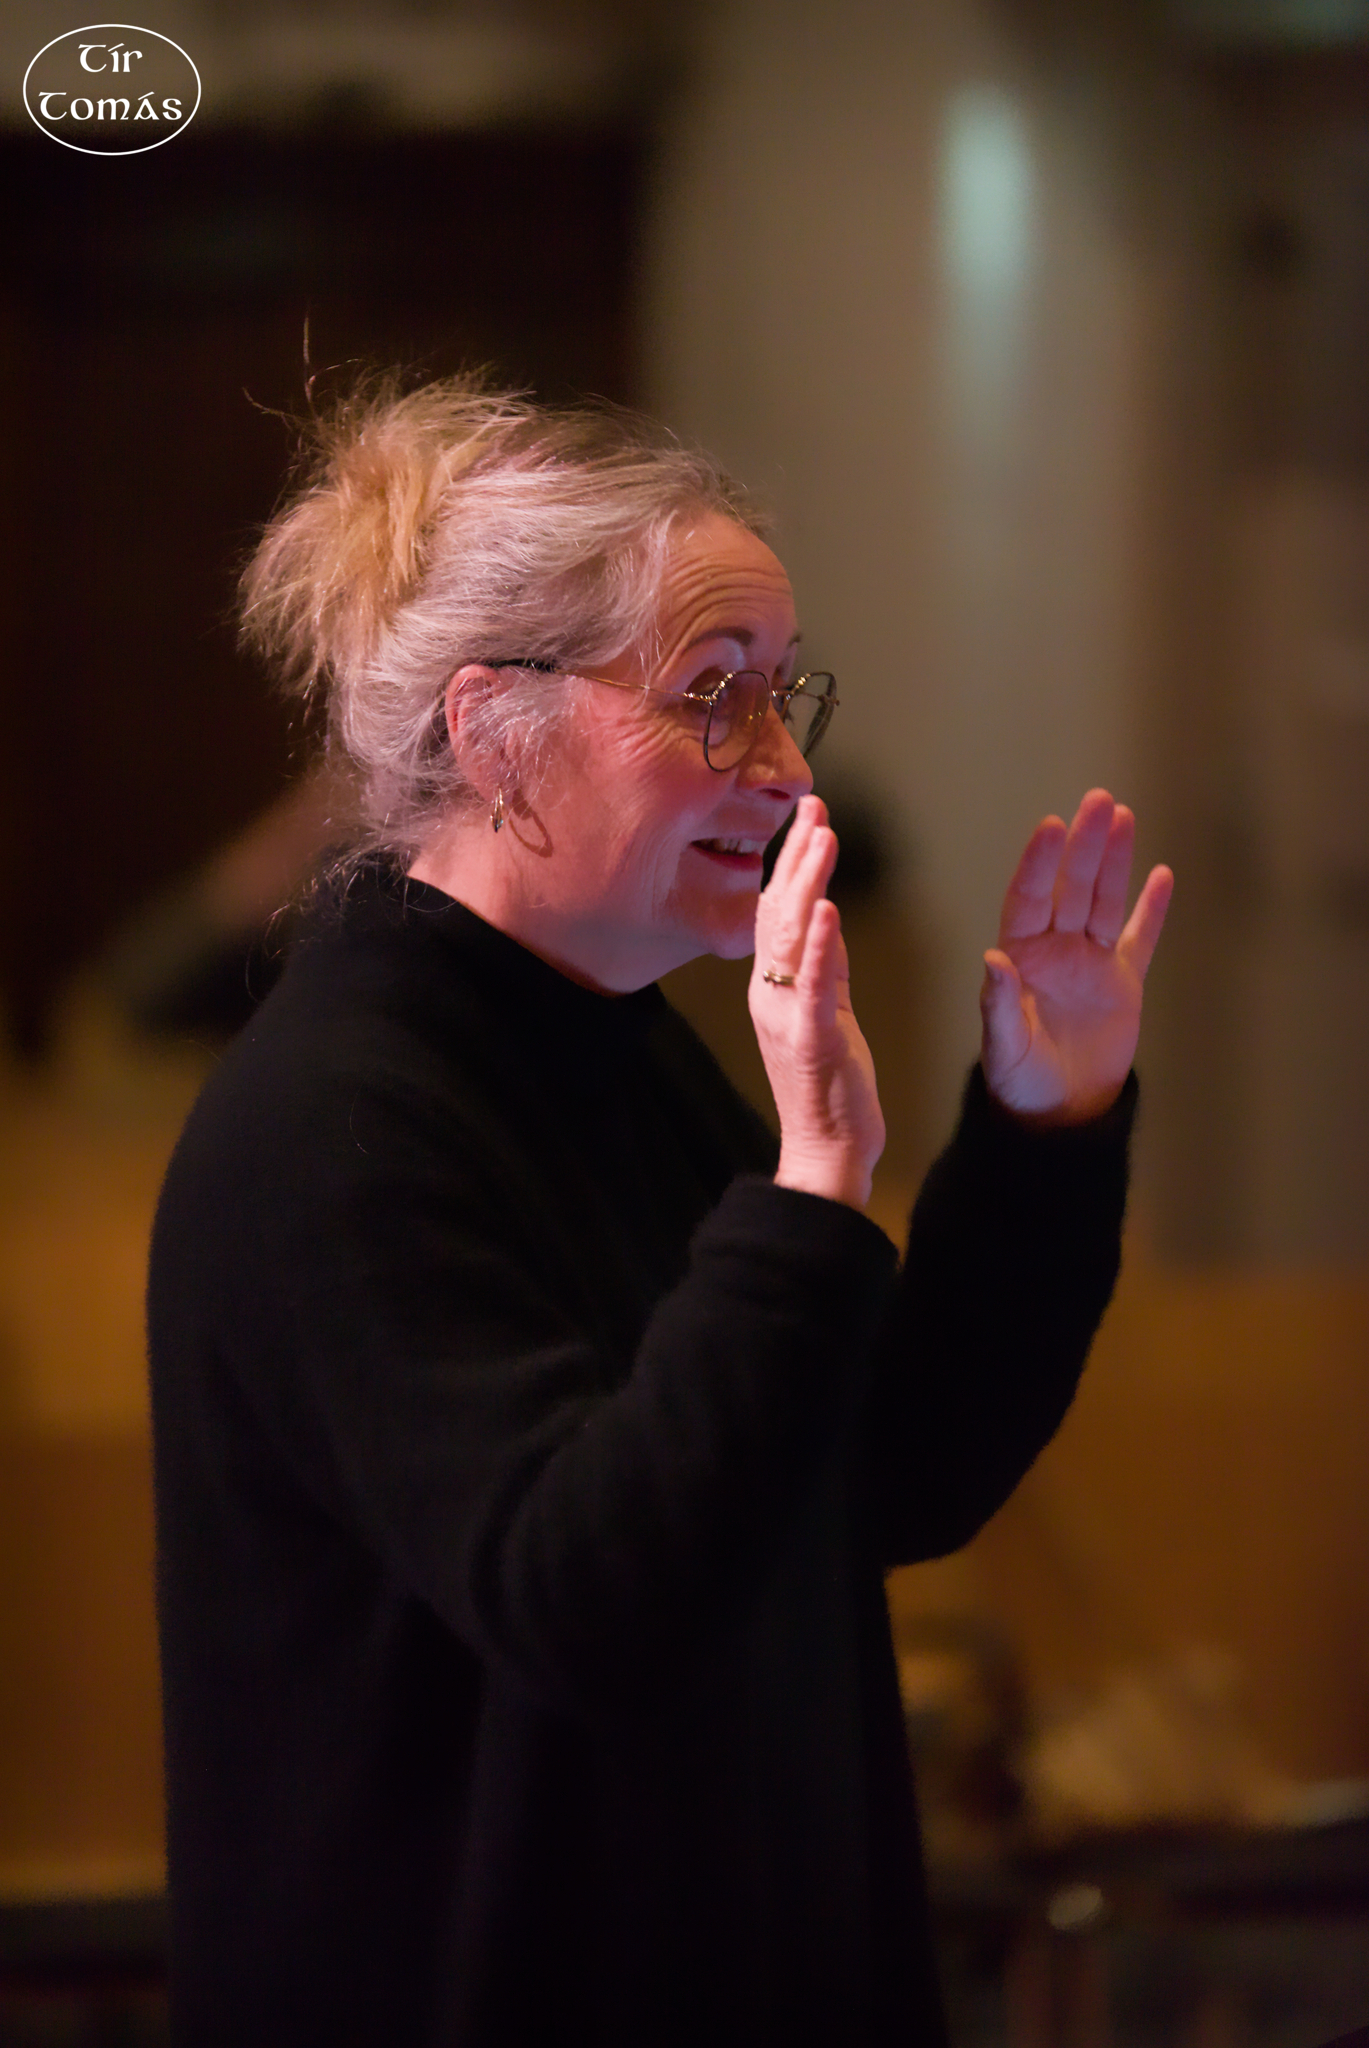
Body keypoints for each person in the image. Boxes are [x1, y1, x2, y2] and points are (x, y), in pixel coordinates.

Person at [146, 374, 1172, 2048]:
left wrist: (1042, 1124)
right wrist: (811, 1184)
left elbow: (878, 1478)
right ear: (495, 733)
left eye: (783, 692)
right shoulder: (334, 1124)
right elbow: (590, 1599)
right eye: (712, 695)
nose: (783, 767)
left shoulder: (618, 1052)